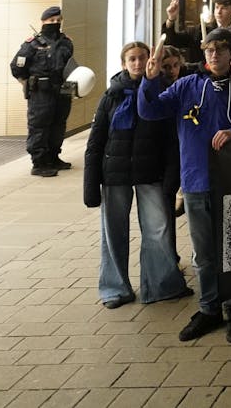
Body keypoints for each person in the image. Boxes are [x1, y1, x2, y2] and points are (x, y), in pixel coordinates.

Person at [138, 28, 231, 343]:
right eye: (209, 50)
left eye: (221, 50)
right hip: (195, 183)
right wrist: (149, 80)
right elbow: (149, 110)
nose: (214, 55)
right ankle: (209, 308)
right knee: (203, 255)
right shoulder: (186, 86)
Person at [84, 41, 189, 309]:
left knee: (158, 229)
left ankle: (161, 285)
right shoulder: (111, 96)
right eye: (132, 59)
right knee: (113, 232)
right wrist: (90, 184)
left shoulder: (162, 91)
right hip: (114, 173)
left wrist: (171, 177)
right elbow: (96, 141)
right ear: (123, 63)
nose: (138, 63)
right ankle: (114, 288)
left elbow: (171, 140)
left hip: (150, 171)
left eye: (143, 58)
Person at [10, 6, 76, 178]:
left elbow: (70, 65)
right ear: (43, 22)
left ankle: (53, 157)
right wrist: (27, 82)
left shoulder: (66, 42)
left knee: (58, 124)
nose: (55, 23)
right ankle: (39, 163)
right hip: (41, 93)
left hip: (61, 90)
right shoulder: (33, 43)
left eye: (58, 20)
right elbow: (17, 66)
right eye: (51, 20)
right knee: (39, 126)